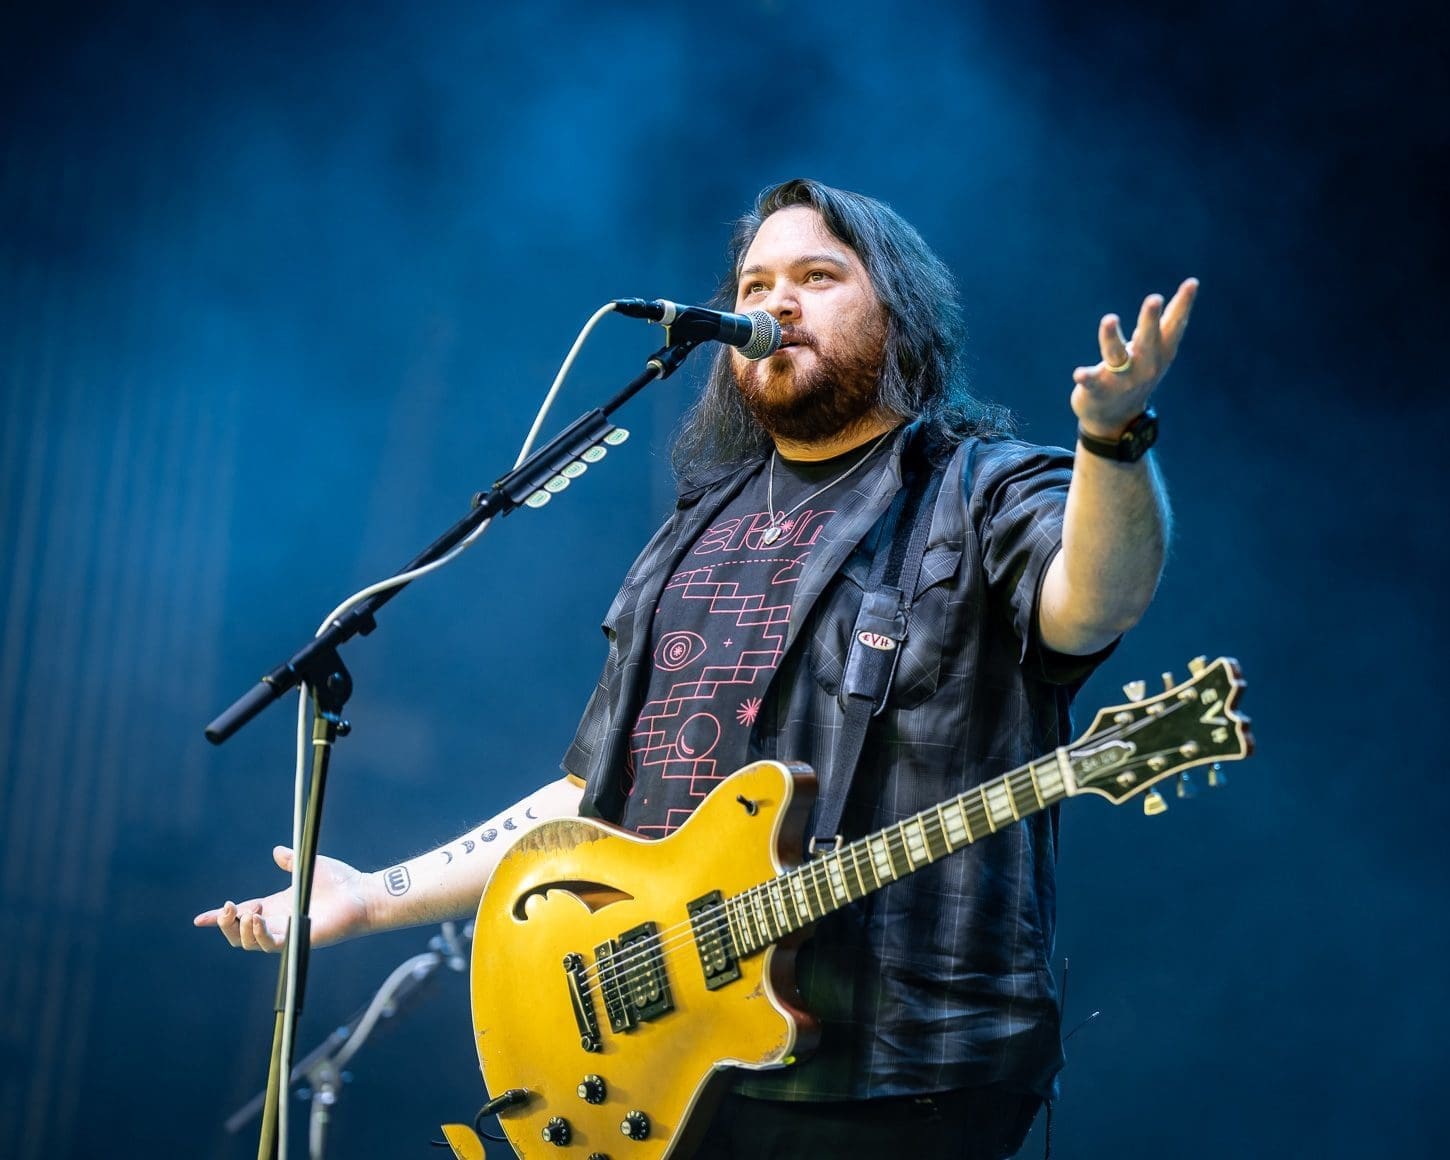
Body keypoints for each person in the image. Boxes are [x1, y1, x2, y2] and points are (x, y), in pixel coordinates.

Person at [196, 178, 1194, 1158]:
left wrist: (1112, 444)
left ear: (902, 316)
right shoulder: (695, 529)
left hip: (902, 1074)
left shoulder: (979, 489)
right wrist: (374, 895)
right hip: (675, 1074)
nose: (776, 302)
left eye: (817, 276)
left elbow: (1092, 602)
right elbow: (592, 793)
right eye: (756, 285)